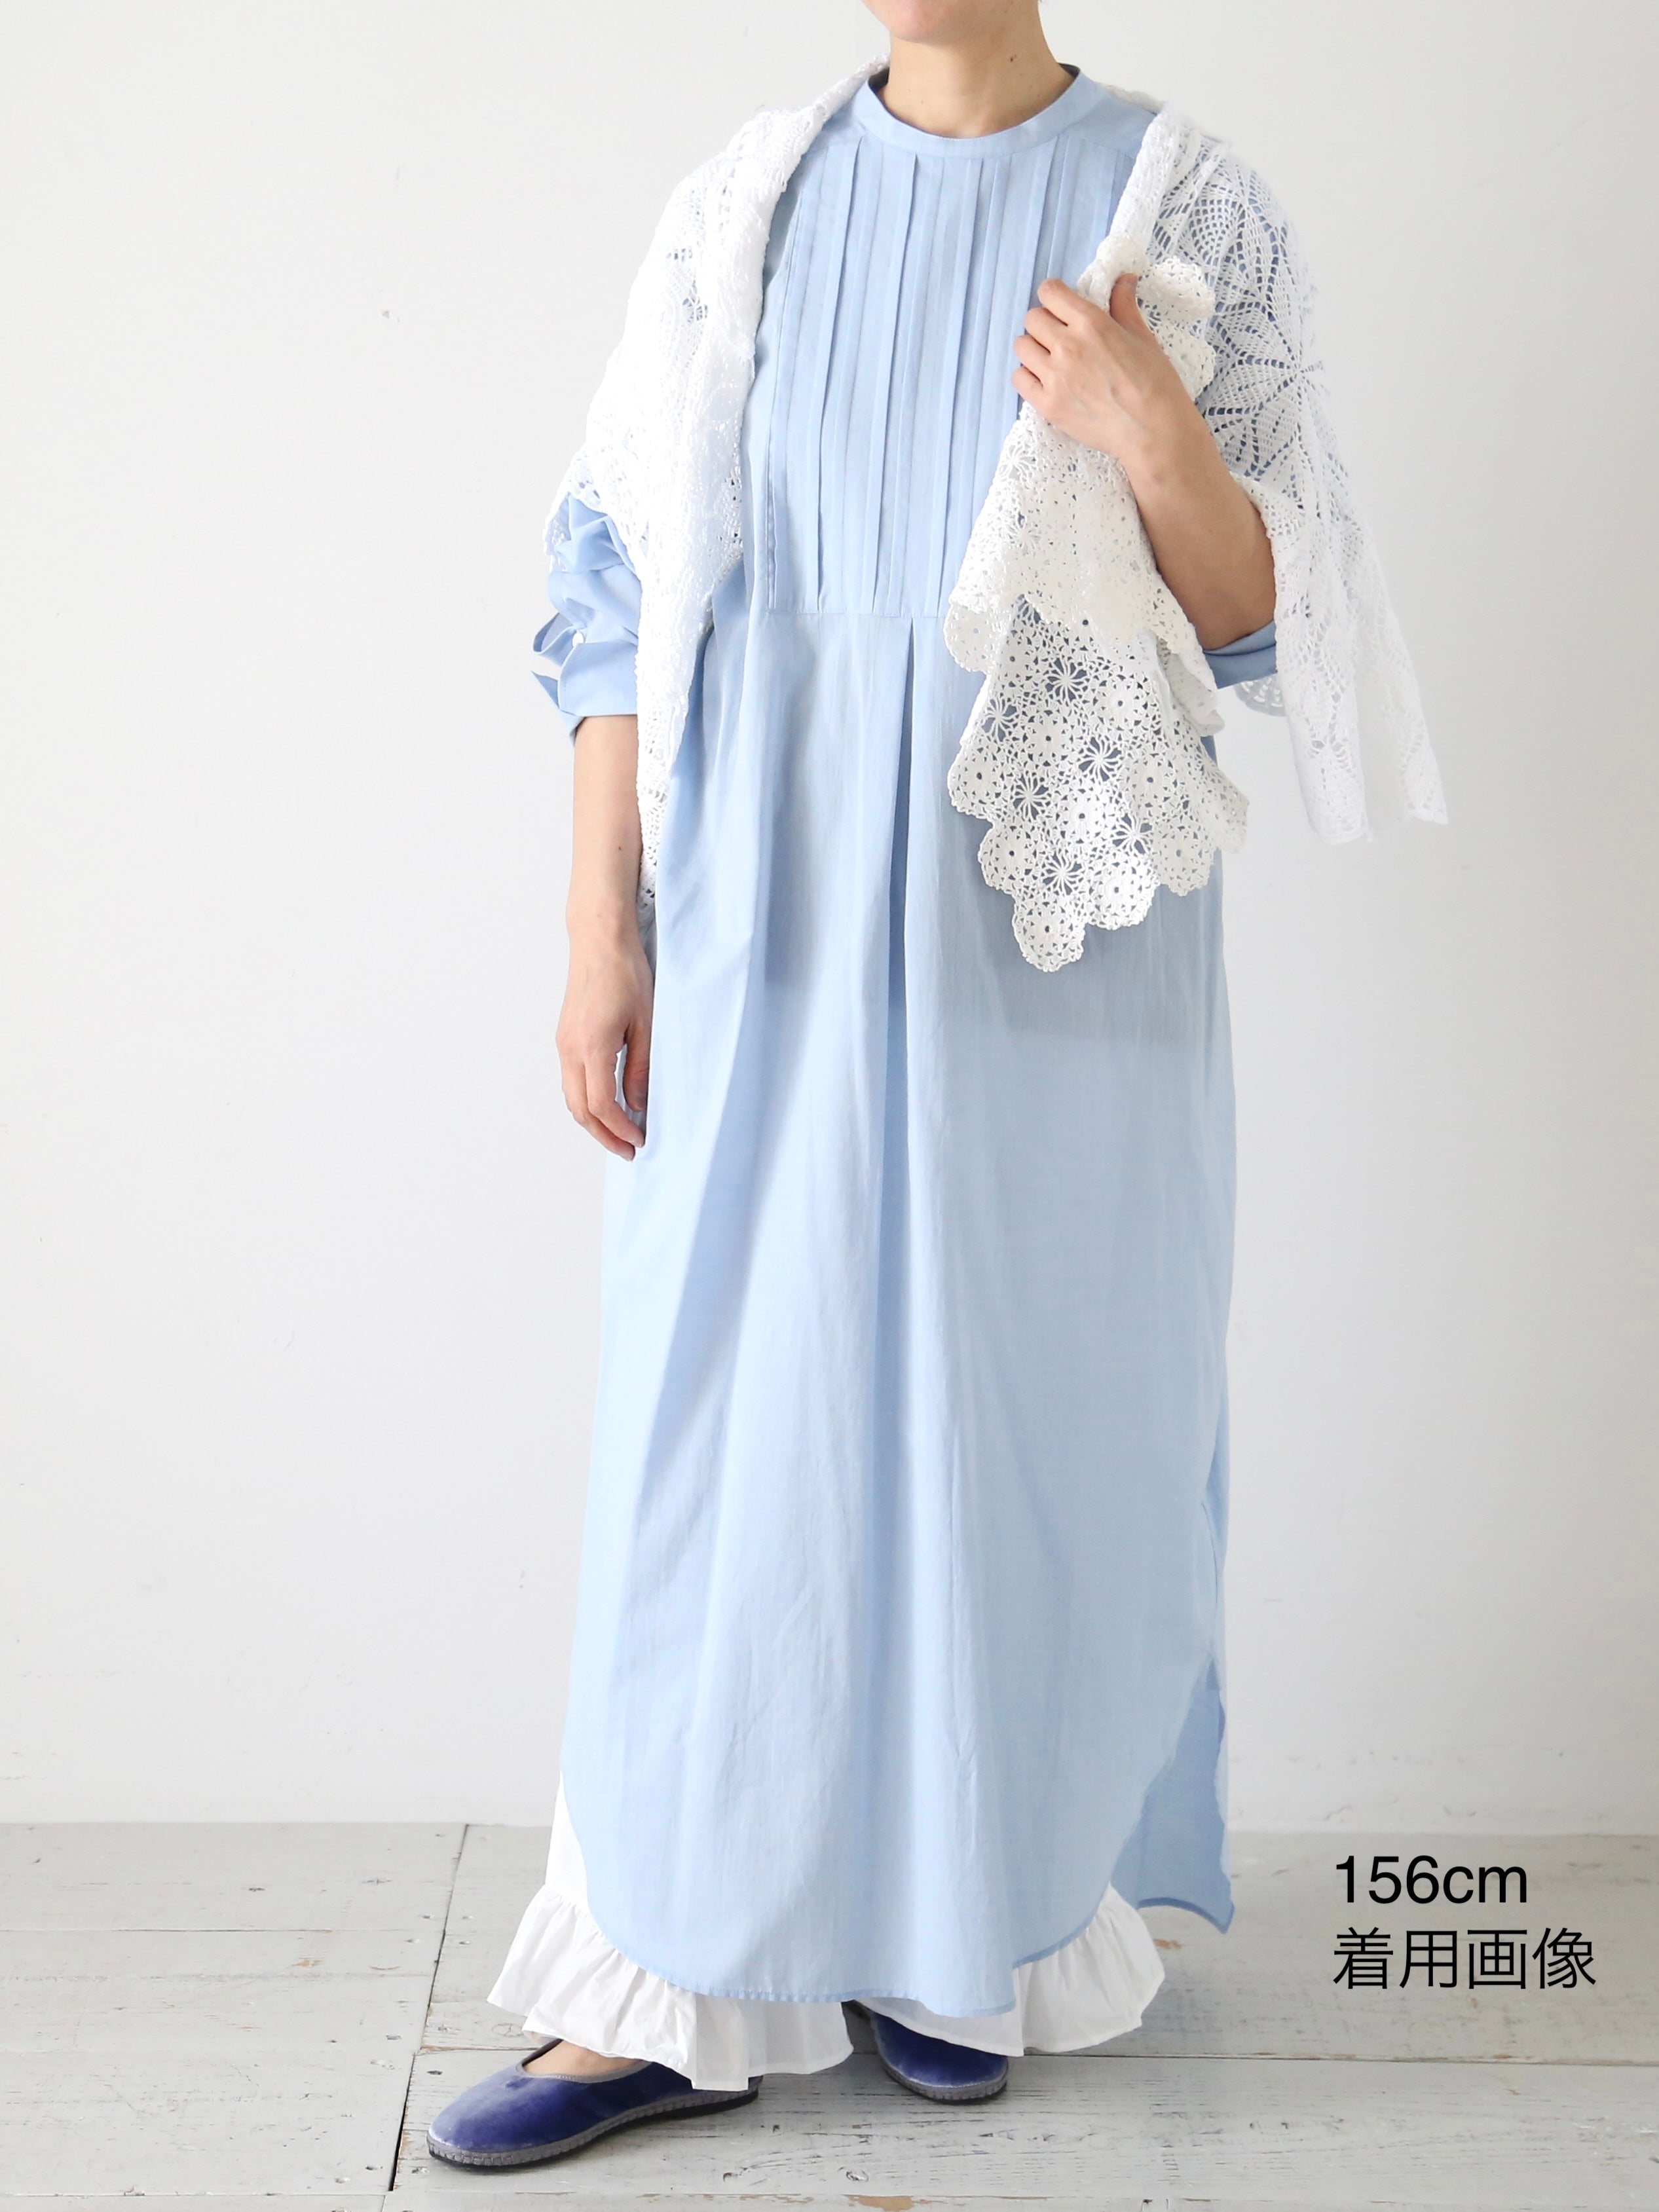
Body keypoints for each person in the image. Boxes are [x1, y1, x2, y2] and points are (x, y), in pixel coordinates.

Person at [428, 0, 1442, 2169]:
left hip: (1049, 937)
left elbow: (1273, 622)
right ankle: (654, 1988)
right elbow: (615, 580)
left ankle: (956, 1942)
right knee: (728, 1432)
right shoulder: (746, 208)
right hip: (767, 921)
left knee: (1019, 1418)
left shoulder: (1187, 203)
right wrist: (602, 924)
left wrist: (1152, 430)